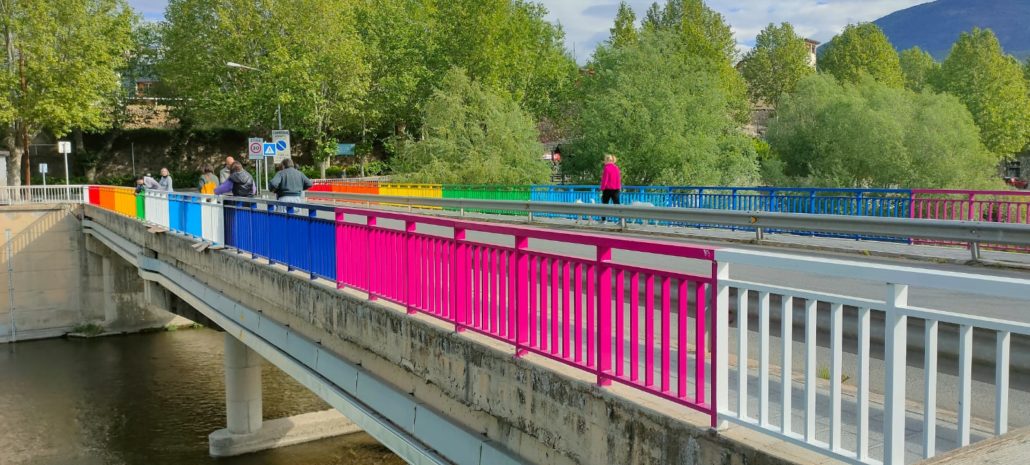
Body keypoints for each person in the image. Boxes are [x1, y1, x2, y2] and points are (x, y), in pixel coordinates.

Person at [600, 154, 622, 222]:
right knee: (617, 205)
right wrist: (619, 188)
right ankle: (621, 220)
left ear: (606, 160)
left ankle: (604, 220)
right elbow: (618, 179)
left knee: (604, 205)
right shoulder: (616, 168)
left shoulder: (606, 168)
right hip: (616, 189)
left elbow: (605, 180)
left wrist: (602, 189)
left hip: (608, 189)